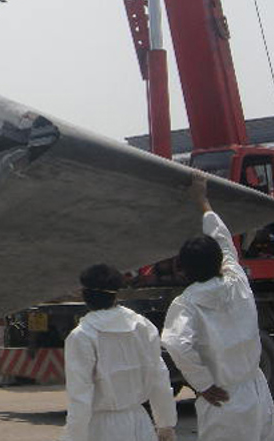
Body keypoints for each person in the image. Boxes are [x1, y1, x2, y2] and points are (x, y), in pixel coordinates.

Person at [161, 173, 274, 441]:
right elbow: (222, 238)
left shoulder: (187, 303)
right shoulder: (237, 281)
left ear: (184, 269)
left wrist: (202, 384)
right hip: (256, 389)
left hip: (222, 399)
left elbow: (176, 343)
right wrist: (202, 199)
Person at [61, 264, 177, 441]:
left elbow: (80, 398)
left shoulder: (82, 336)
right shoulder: (142, 326)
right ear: (116, 294)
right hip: (140, 423)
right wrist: (165, 424)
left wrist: (73, 437)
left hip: (101, 429)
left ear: (84, 295)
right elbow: (159, 378)